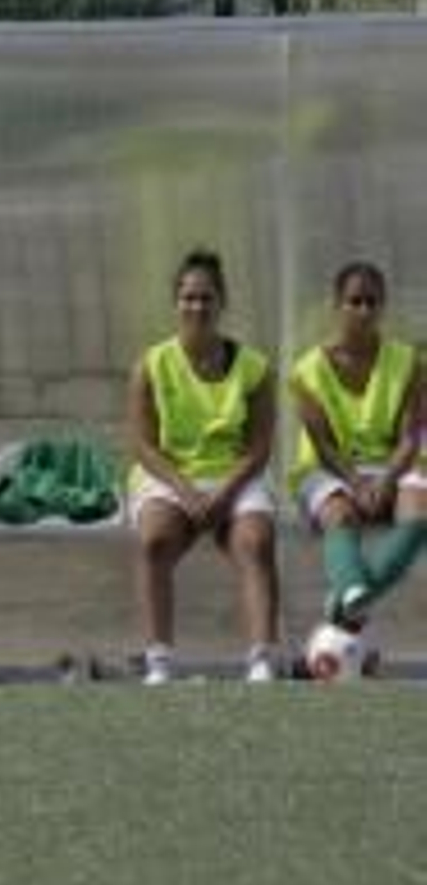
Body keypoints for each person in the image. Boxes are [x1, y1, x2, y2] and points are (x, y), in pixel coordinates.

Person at [128, 248, 279, 685]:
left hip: (236, 475)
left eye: (206, 297)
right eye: (188, 297)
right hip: (169, 477)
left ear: (222, 301)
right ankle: (159, 660)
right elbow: (142, 445)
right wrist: (189, 493)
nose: (197, 306)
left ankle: (262, 659)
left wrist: (225, 493)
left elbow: (259, 447)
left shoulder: (254, 368)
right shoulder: (151, 365)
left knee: (255, 541)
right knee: (155, 541)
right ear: (175, 302)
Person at [288, 261, 427, 632]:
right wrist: (357, 482)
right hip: (329, 466)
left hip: (395, 463)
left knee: (419, 516)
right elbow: (321, 445)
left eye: (372, 302)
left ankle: (345, 601)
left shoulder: (409, 361)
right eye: (355, 301)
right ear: (338, 305)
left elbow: (411, 437)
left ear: (382, 306)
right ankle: (353, 591)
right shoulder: (306, 370)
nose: (364, 310)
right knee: (341, 515)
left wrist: (386, 481)